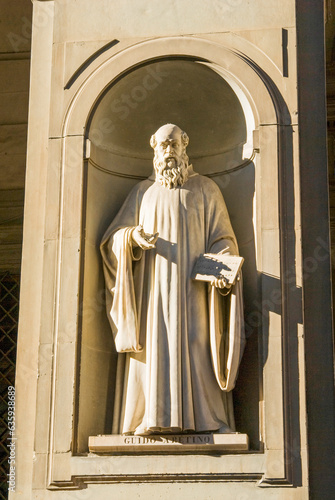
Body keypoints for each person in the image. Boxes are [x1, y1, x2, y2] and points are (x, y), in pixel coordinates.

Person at [101, 124, 245, 436]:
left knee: (198, 343)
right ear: (153, 147)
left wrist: (222, 270)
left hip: (194, 291)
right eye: (163, 145)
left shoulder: (206, 189)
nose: (168, 152)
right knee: (152, 349)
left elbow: (222, 238)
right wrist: (131, 238)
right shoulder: (142, 192)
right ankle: (150, 418)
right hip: (151, 292)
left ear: (185, 146)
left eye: (174, 145)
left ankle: (207, 420)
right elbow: (113, 238)